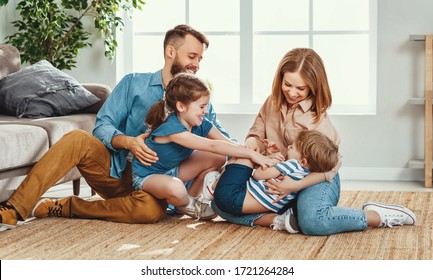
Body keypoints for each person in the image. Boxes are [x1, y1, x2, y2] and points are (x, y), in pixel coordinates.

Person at [0, 24, 230, 229]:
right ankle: (14, 209)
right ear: (171, 51)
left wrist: (253, 150)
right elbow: (102, 125)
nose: (196, 64)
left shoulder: (199, 104)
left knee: (150, 211)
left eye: (200, 59)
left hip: (157, 185)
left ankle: (70, 206)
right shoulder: (134, 83)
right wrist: (128, 142)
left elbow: (221, 140)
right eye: (192, 56)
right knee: (77, 139)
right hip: (117, 169)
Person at [211, 48, 416, 235]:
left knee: (312, 222)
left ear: (313, 87)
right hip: (277, 176)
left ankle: (376, 216)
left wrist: (295, 185)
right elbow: (255, 135)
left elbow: (331, 168)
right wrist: (255, 148)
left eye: (300, 88)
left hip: (315, 178)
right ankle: (279, 219)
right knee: (220, 203)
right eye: (287, 84)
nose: (292, 93)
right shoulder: (271, 102)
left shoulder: (318, 119)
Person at [132, 72, 276, 220]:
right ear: (181, 106)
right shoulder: (171, 129)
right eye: (202, 106)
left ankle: (193, 199)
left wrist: (262, 154)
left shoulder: (199, 123)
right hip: (148, 176)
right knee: (176, 188)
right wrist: (253, 155)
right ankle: (190, 204)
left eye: (206, 106)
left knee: (219, 157)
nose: (206, 111)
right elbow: (212, 146)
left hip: (175, 170)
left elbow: (229, 144)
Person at [210, 129, 339, 233]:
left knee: (246, 156)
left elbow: (259, 175)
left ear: (303, 161)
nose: (288, 147)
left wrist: (270, 160)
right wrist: (269, 158)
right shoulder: (305, 175)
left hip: (232, 197)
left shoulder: (292, 165)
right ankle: (278, 220)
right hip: (242, 206)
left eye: (292, 147)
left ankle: (213, 185)